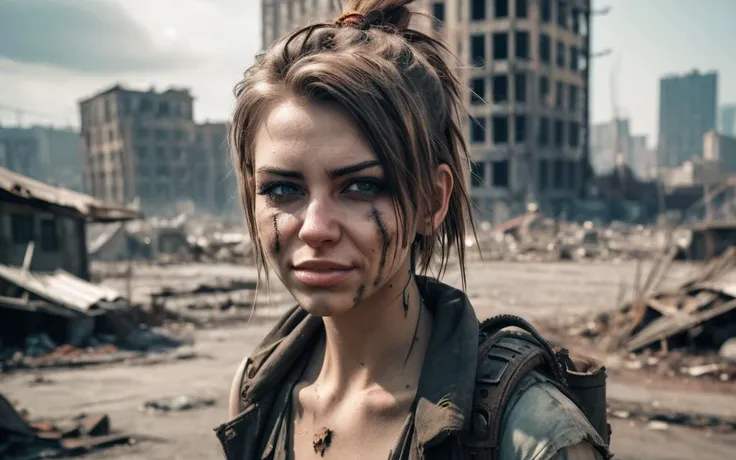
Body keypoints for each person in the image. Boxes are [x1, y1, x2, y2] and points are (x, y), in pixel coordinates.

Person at [215, 1, 610, 459]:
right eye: (283, 189)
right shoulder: (254, 397)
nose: (315, 229)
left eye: (361, 186)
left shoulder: (532, 433)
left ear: (432, 199)